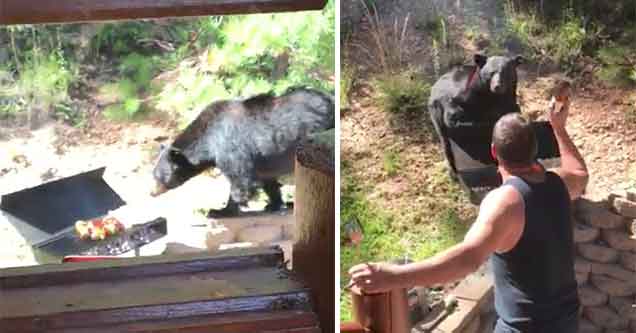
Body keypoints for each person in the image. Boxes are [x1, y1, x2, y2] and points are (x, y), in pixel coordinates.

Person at [348, 97, 589, 333]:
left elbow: (466, 260)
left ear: (494, 151)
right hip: (565, 321)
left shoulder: (505, 202)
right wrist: (559, 127)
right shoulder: (559, 183)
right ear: (534, 150)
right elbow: (580, 173)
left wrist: (392, 277)